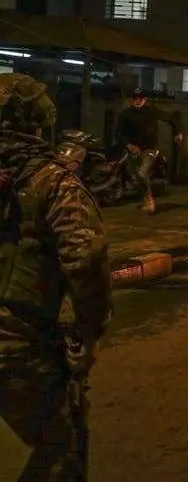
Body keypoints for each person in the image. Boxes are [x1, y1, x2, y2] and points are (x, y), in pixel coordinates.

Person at [0, 73, 112, 479]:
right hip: (22, 347)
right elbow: (86, 259)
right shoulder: (53, 183)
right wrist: (89, 331)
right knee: (60, 455)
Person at [116, 88, 183, 214]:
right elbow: (119, 134)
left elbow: (171, 118)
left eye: (140, 98)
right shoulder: (125, 114)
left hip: (150, 148)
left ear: (145, 100)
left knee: (141, 173)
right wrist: (129, 145)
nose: (137, 101)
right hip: (133, 149)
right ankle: (144, 193)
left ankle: (149, 202)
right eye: (135, 98)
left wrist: (178, 133)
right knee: (135, 177)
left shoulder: (151, 111)